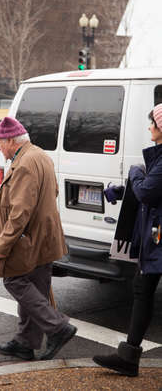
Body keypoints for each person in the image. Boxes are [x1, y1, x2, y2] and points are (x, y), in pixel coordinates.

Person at [0, 116, 77, 361]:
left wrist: (1, 245)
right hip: (45, 236)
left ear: (10, 140)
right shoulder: (39, 154)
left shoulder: (25, 163)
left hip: (30, 238)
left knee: (13, 280)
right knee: (36, 286)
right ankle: (25, 342)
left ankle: (58, 327)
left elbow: (20, 212)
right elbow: (54, 191)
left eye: (0, 142)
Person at [93, 103, 162, 377]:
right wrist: (122, 190)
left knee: (143, 292)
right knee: (142, 291)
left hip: (158, 238)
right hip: (155, 237)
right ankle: (128, 357)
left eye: (152, 124)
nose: (149, 128)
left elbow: (146, 190)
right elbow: (151, 188)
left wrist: (134, 174)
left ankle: (129, 357)